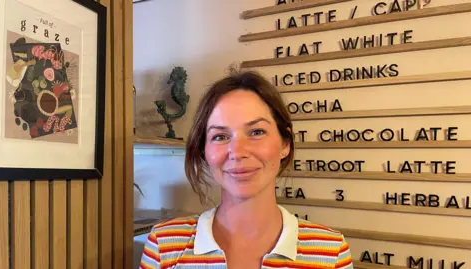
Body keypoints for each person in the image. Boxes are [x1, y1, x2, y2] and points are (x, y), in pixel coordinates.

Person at [139, 71, 353, 269]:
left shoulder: (330, 252)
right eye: (220, 137)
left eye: (256, 132)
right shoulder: (164, 246)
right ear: (204, 150)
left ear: (285, 144)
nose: (237, 151)